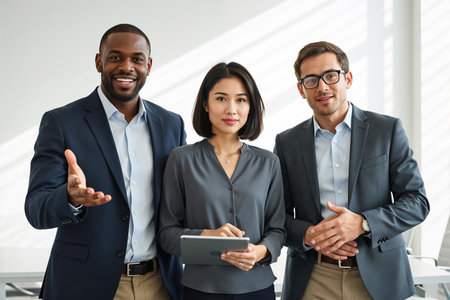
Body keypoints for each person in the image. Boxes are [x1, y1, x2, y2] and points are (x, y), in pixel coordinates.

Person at [25, 24, 185, 300]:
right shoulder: (62, 123)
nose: (126, 67)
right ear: (99, 62)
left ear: (149, 65)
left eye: (137, 59)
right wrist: (70, 198)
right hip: (86, 285)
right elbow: (35, 209)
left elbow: (182, 201)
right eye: (115, 57)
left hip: (161, 284)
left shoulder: (171, 124)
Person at [274, 41, 430, 300]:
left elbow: (417, 202)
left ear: (348, 78)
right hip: (313, 277)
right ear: (301, 90)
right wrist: (309, 235)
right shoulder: (287, 142)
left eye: (330, 76)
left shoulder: (386, 131)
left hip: (379, 277)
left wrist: (363, 223)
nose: (322, 87)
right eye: (311, 80)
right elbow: (276, 217)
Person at [158, 62, 286, 300]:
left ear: (251, 106)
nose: (231, 110)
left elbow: (277, 229)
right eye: (221, 99)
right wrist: (205, 236)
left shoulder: (268, 162)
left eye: (241, 99)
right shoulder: (181, 160)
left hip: (257, 288)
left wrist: (259, 252)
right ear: (205, 103)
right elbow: (166, 234)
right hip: (201, 290)